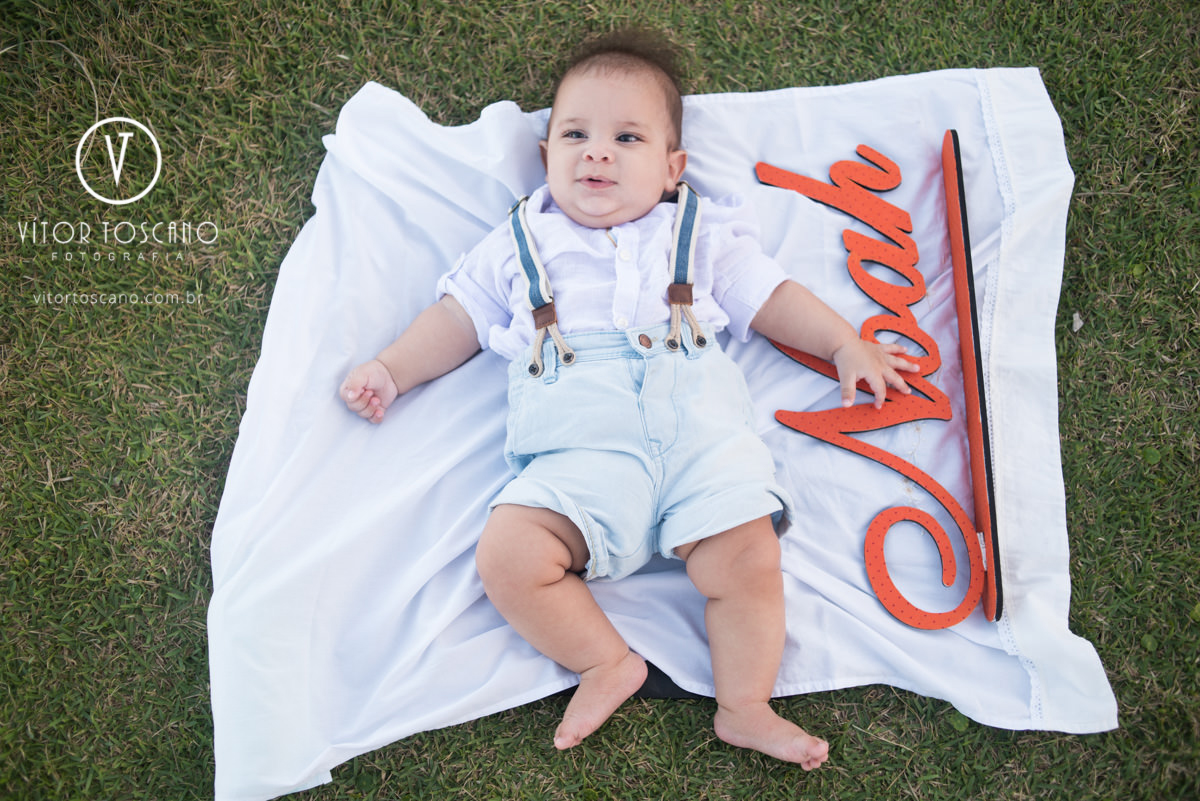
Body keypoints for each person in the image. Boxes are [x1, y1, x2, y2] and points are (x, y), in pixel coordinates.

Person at [341, 29, 916, 770]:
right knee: (509, 555)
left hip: (699, 445)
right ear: (546, 153)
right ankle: (605, 660)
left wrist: (844, 342)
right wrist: (391, 369)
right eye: (575, 133)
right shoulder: (519, 244)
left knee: (748, 559)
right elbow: (456, 319)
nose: (597, 152)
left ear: (673, 167)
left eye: (627, 137)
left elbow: (769, 295)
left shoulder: (696, 232)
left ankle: (746, 704)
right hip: (581, 457)